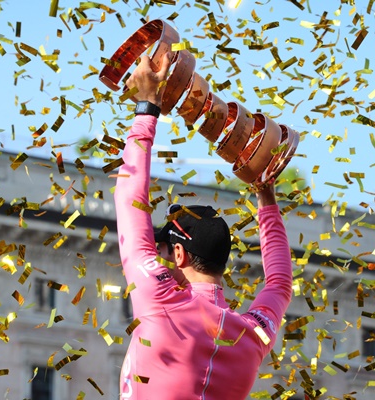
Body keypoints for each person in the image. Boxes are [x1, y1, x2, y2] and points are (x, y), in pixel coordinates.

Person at [113, 53, 292, 400]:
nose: (159, 258)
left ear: (178, 253)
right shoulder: (254, 334)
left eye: (163, 249)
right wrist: (266, 193)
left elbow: (128, 200)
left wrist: (147, 108)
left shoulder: (159, 299)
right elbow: (280, 283)